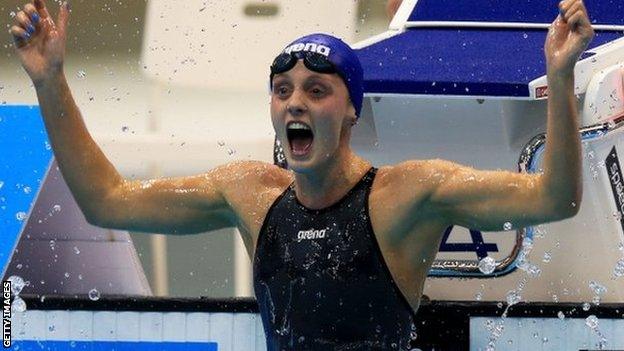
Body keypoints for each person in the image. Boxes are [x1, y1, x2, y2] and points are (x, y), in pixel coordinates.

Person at [10, 0, 593, 349]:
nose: (295, 103)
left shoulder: (406, 194)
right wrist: (49, 82)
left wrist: (559, 78)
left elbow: (555, 196)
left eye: (317, 91)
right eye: (283, 91)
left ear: (350, 113)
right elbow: (107, 201)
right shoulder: (250, 195)